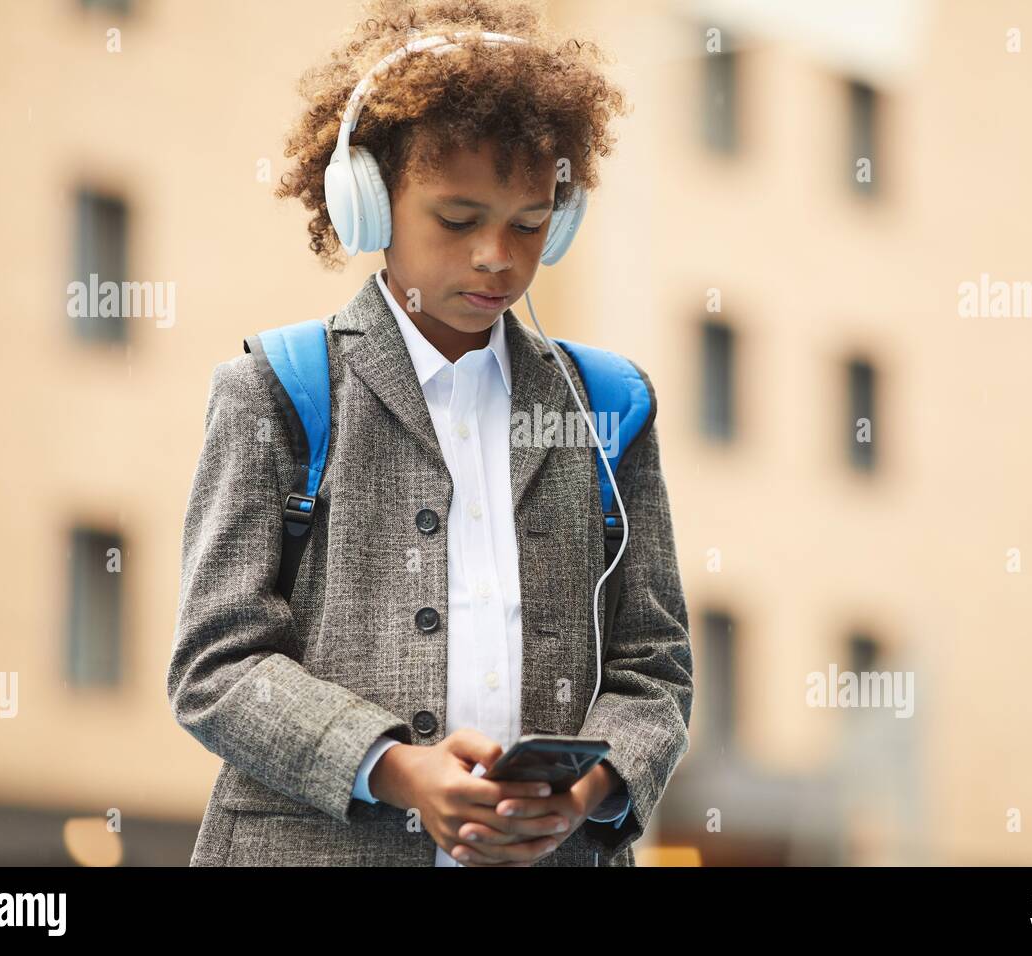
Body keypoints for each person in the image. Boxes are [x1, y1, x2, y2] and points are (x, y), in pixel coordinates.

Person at [167, 0, 692, 867]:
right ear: (368, 202)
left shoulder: (609, 405)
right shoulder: (272, 391)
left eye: (529, 222)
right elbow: (215, 666)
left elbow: (654, 668)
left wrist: (584, 794)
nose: (497, 254)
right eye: (458, 219)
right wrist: (399, 770)